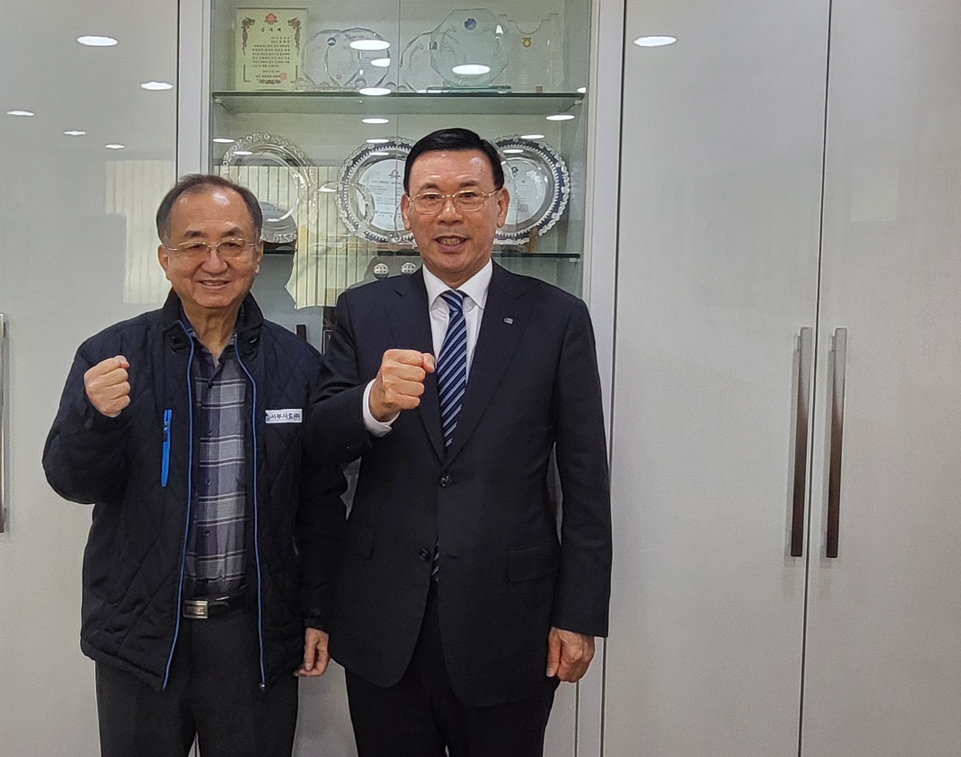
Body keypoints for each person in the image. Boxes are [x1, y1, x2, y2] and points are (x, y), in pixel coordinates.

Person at [305, 128, 612, 757]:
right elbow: (318, 441)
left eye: (468, 195)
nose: (449, 214)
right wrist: (372, 403)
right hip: (385, 618)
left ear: (500, 206)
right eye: (430, 196)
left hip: (511, 622)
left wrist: (579, 614)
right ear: (405, 210)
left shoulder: (556, 318)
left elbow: (586, 479)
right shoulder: (363, 310)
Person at [43, 174, 346, 757]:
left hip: (253, 635)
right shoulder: (112, 356)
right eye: (194, 244)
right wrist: (95, 419)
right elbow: (71, 482)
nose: (214, 262)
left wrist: (318, 611)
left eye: (232, 243)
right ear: (165, 258)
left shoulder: (298, 365)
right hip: (142, 635)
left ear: (257, 254)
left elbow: (319, 502)